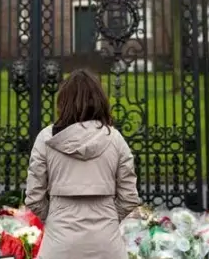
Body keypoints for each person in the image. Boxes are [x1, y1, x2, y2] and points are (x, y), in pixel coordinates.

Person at [25, 69, 141, 259]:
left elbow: (33, 197)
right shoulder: (115, 139)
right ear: (100, 101)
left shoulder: (46, 139)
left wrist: (54, 217)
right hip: (106, 243)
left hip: (59, 243)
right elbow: (129, 197)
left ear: (63, 102)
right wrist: (109, 217)